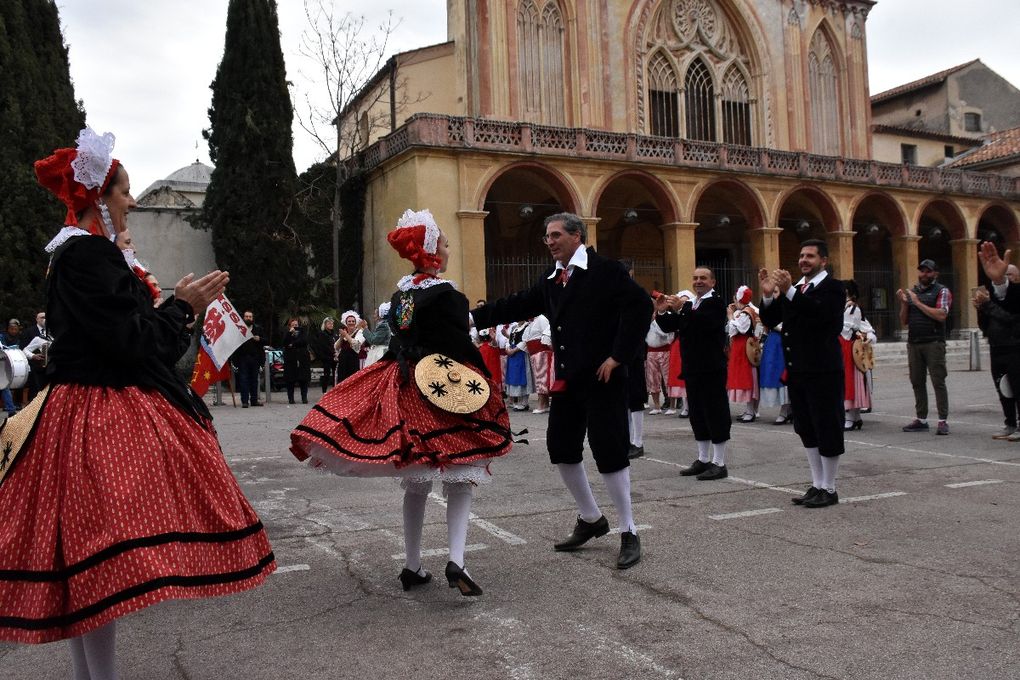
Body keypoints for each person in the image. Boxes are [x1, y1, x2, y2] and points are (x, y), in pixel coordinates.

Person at [0, 127, 274, 675]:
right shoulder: (90, 257)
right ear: (100, 197)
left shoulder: (78, 256)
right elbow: (133, 344)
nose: (129, 201)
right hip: (97, 414)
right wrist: (183, 307)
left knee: (90, 562)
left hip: (77, 408)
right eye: (123, 190)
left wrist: (175, 305)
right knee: (100, 562)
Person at [290, 208, 513, 596]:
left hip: (406, 382)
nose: (447, 247)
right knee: (461, 475)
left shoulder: (402, 294)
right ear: (431, 252)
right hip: (445, 386)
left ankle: (412, 566)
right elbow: (461, 344)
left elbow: (399, 339)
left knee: (416, 481)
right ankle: (457, 560)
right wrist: (486, 381)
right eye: (443, 242)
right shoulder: (449, 295)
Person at [471, 212, 651, 569]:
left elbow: (641, 306)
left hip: (603, 379)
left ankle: (629, 530)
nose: (549, 241)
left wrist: (618, 356)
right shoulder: (552, 281)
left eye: (555, 235)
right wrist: (473, 317)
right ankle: (590, 518)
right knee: (561, 448)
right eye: (546, 236)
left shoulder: (605, 270)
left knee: (609, 451)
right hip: (569, 379)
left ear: (576, 236)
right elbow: (517, 303)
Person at [759, 239, 846, 508]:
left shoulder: (833, 288)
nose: (803, 260)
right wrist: (767, 295)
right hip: (797, 370)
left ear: (824, 261)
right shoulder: (796, 288)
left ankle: (830, 488)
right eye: (801, 255)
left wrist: (789, 292)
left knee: (826, 426)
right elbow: (772, 319)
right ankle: (816, 484)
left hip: (823, 369)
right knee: (805, 427)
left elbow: (820, 315)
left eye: (810, 256)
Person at [654, 268, 732, 481]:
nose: (698, 282)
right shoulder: (692, 304)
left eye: (703, 278)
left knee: (715, 412)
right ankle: (703, 458)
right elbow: (675, 325)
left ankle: (719, 462)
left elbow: (704, 324)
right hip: (693, 367)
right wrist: (662, 312)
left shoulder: (715, 303)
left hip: (711, 367)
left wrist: (682, 308)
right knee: (697, 413)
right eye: (695, 278)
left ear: (713, 282)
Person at [898, 258, 952, 435]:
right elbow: (904, 320)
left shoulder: (941, 291)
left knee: (938, 381)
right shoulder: (913, 292)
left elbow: (941, 315)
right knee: (916, 381)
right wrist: (905, 303)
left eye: (928, 271)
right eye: (922, 271)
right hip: (914, 343)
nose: (924, 274)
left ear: (935, 273)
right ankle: (921, 418)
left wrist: (917, 302)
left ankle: (943, 420)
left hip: (933, 342)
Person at [974, 258, 1020, 441]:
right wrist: (980, 309)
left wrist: (988, 305)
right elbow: (985, 325)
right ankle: (1010, 423)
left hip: (1015, 348)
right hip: (997, 347)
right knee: (1002, 387)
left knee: (1018, 387)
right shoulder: (993, 297)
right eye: (1004, 274)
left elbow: (1010, 319)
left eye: (1009, 274)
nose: (1005, 277)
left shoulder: (1016, 297)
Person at [840, 281, 876, 430]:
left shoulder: (852, 308)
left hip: (848, 348)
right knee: (847, 381)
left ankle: (851, 417)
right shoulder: (844, 308)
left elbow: (849, 330)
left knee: (850, 381)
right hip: (844, 346)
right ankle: (855, 417)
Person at [725, 285, 760, 422]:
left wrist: (730, 316)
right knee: (742, 376)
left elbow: (739, 329)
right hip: (740, 346)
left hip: (744, 346)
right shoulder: (744, 312)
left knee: (746, 377)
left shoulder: (746, 312)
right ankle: (748, 410)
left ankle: (751, 411)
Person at [758, 323, 792, 425]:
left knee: (783, 374)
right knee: (771, 372)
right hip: (773, 341)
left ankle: (785, 411)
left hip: (786, 341)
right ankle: (788, 410)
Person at [644, 309, 675, 416]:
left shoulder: (666, 317)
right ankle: (657, 406)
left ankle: (672, 406)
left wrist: (656, 321)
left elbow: (668, 334)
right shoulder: (647, 319)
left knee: (668, 378)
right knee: (652, 379)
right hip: (651, 351)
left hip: (665, 350)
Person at [523, 313, 554, 414]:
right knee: (538, 379)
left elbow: (547, 335)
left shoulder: (541, 319)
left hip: (542, 352)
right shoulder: (530, 324)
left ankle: (542, 404)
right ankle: (544, 404)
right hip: (534, 353)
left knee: (542, 378)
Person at [234, 310, 265, 407]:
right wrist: (234, 361)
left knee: (254, 380)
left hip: (255, 358)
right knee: (243, 380)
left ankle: (254, 401)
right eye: (246, 316)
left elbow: (266, 341)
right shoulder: (239, 329)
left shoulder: (258, 329)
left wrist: (259, 339)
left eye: (250, 317)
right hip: (243, 359)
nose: (248, 318)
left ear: (252, 318)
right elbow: (235, 345)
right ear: (243, 318)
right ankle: (244, 401)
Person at [19, 311, 51, 401]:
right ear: (37, 319)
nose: (44, 319)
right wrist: (33, 356)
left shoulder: (51, 332)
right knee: (35, 391)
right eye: (42, 317)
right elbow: (24, 349)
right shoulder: (29, 332)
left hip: (50, 367)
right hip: (35, 367)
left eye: (46, 317)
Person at [283, 317, 311, 404]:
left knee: (304, 379)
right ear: (290, 326)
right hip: (291, 359)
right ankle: (291, 398)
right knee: (290, 380)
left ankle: (304, 398)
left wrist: (293, 343)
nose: (295, 326)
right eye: (293, 325)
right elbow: (285, 343)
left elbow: (304, 341)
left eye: (296, 324)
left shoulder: (303, 331)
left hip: (302, 358)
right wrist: (290, 334)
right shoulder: (287, 333)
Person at [504, 320, 531, 411]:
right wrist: (507, 348)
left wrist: (514, 350)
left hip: (520, 354)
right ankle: (518, 402)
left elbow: (525, 341)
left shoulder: (527, 326)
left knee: (521, 376)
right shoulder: (514, 327)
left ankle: (524, 403)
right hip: (512, 355)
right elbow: (509, 339)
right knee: (514, 377)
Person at [334, 310, 366, 384]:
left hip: (354, 361)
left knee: (353, 382)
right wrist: (342, 337)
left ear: (355, 322)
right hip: (343, 361)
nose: (351, 323)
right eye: (349, 321)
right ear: (346, 323)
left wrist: (346, 335)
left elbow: (356, 346)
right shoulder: (345, 333)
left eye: (353, 321)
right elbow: (336, 347)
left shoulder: (360, 332)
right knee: (342, 382)